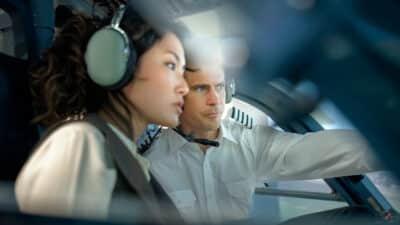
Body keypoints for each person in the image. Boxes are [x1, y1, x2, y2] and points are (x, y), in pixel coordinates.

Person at [144, 42, 382, 223]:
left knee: (359, 216)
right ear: (178, 94)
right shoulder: (151, 163)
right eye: (201, 89)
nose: (215, 100)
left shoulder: (249, 143)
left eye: (219, 87)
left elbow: (341, 151)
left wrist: (388, 141)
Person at [15, 1, 188, 223]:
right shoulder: (80, 143)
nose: (184, 87)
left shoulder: (123, 153)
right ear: (118, 62)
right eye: (171, 65)